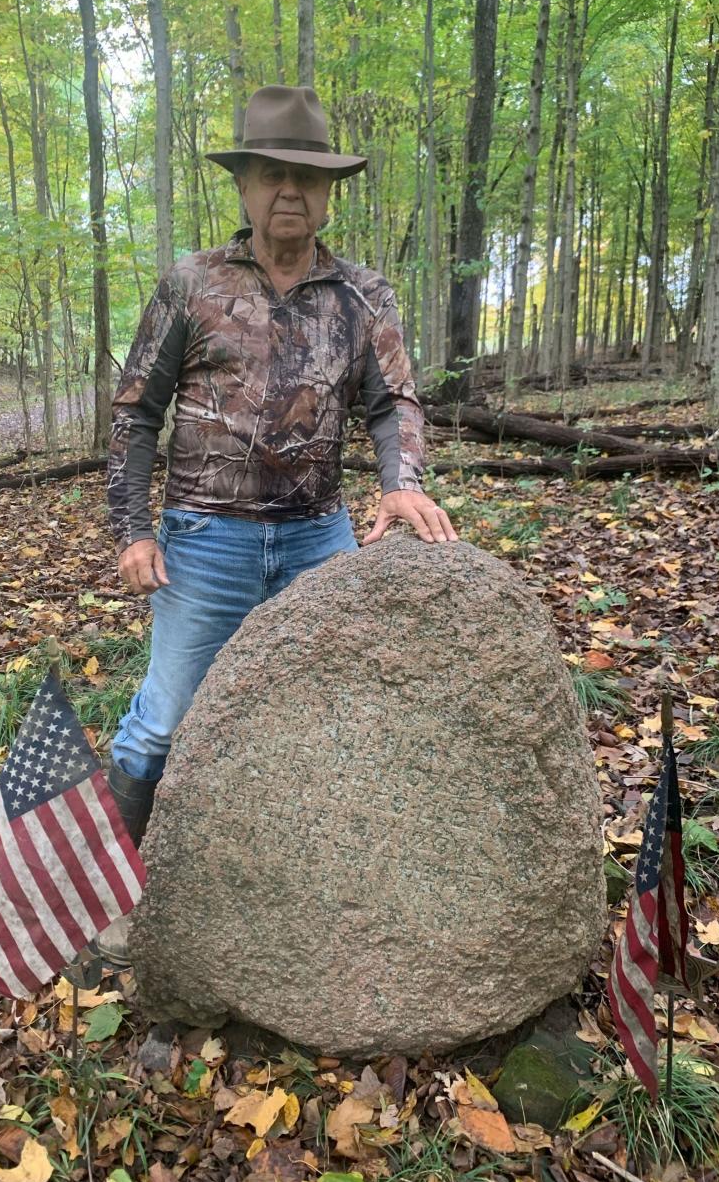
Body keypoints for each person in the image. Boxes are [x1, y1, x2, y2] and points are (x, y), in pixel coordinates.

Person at [98, 85, 456, 961]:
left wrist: (400, 481)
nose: (287, 191)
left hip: (318, 539)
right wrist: (132, 529)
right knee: (166, 716)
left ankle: (326, 896)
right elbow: (135, 411)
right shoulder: (193, 283)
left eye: (305, 175)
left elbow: (393, 401)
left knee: (339, 711)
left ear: (328, 189)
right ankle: (114, 896)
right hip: (204, 541)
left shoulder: (362, 295)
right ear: (245, 186)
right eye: (270, 174)